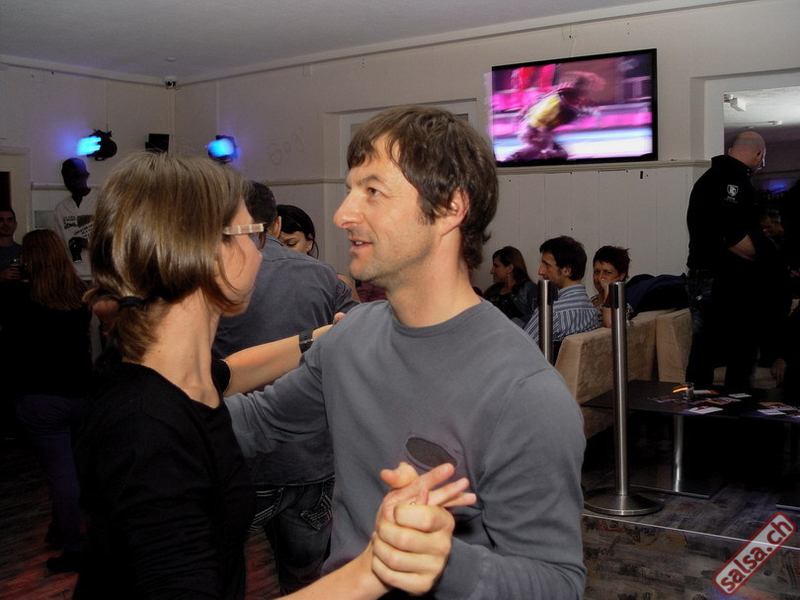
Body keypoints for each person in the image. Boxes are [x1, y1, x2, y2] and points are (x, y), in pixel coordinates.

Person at [227, 105, 587, 598]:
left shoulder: (524, 392)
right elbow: (259, 421)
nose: (342, 214)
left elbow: (557, 582)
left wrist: (445, 564)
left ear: (450, 208)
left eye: (372, 191)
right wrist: (145, 414)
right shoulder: (349, 338)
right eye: (351, 189)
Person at [73, 151, 463, 600]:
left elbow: (231, 372)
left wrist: (322, 337)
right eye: (253, 235)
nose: (262, 253)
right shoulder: (147, 432)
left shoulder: (168, 373)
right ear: (207, 253)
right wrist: (373, 569)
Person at [213, 181, 358, 594]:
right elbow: (353, 345)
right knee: (305, 579)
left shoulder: (214, 278)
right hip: (310, 457)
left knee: (218, 575)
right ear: (274, 224)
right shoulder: (324, 276)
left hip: (239, 455)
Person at [0, 229, 92, 573]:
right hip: (81, 393)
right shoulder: (79, 294)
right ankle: (60, 528)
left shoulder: (17, 296)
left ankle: (75, 549)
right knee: (73, 471)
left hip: (40, 396)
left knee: (61, 475)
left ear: (30, 259)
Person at [684, 131, 771, 389]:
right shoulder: (732, 180)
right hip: (720, 280)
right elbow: (732, 237)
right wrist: (768, 259)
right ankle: (733, 407)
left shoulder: (710, 177)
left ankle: (697, 407)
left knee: (705, 352)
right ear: (759, 155)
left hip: (705, 278)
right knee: (738, 351)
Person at [523, 235, 599, 346]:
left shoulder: (551, 313)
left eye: (547, 265)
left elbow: (521, 348)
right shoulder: (591, 309)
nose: (540, 271)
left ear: (567, 270)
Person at [277, 203, 360, 301]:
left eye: (291, 244)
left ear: (309, 242)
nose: (283, 252)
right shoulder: (263, 285)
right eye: (275, 245)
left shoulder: (338, 285)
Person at [53, 158, 97, 283]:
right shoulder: (61, 208)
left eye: (76, 176)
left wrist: (86, 243)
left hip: (98, 274)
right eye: (67, 178)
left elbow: (113, 240)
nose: (72, 182)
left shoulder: (101, 201)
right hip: (73, 276)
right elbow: (59, 243)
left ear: (86, 175)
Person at [483, 245, 537, 326]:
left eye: (496, 266)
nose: (492, 271)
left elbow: (534, 318)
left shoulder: (529, 290)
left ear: (510, 268)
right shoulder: (491, 292)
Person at [590, 245, 631, 328]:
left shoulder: (622, 305)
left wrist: (608, 291)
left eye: (607, 272)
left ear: (621, 275)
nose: (600, 278)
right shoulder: (590, 302)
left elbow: (610, 324)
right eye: (597, 272)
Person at [0, 207, 22, 281]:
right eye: (1, 220)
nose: (5, 224)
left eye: (9, 220)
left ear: (15, 224)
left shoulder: (23, 250)